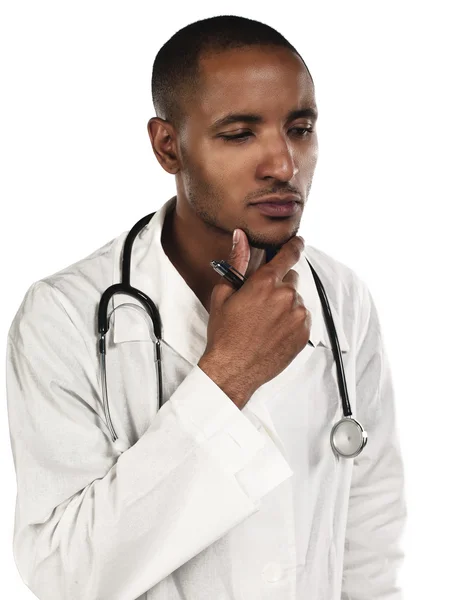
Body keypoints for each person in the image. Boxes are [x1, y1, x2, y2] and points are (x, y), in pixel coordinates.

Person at [5, 14, 406, 600]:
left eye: (300, 128)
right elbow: (66, 574)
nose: (283, 165)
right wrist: (227, 376)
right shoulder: (62, 316)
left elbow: (370, 541)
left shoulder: (341, 297)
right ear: (169, 146)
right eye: (240, 133)